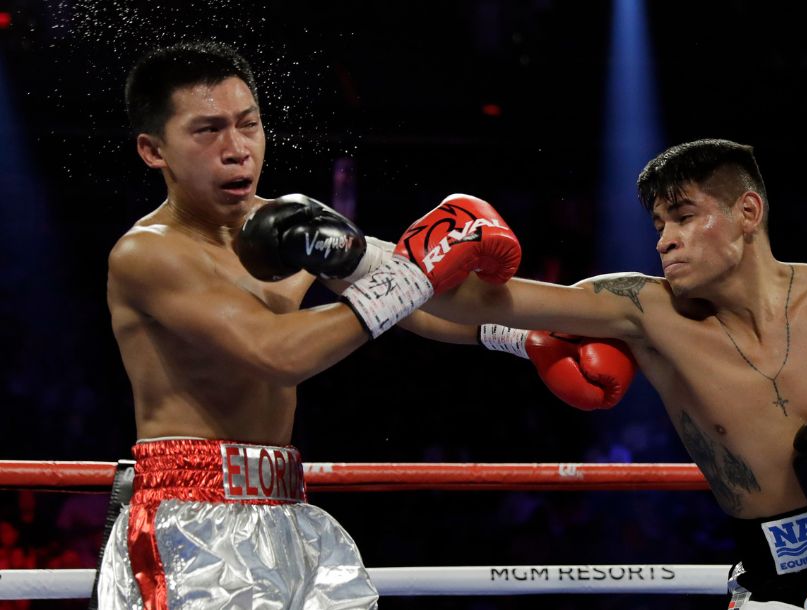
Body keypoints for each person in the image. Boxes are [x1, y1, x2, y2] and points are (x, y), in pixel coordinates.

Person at [98, 40, 629, 609]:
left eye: (248, 125)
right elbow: (276, 351)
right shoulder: (147, 254)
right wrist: (414, 273)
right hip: (191, 522)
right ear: (154, 150)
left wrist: (526, 336)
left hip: (284, 509)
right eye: (207, 131)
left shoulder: (288, 226)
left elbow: (416, 301)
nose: (237, 150)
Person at [426, 138, 807, 609]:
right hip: (781, 571)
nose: (665, 240)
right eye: (658, 224)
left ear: (747, 212)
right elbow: (470, 307)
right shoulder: (644, 311)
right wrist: (363, 262)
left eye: (683, 217)